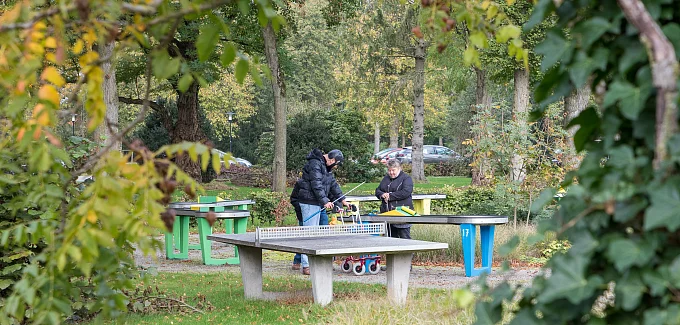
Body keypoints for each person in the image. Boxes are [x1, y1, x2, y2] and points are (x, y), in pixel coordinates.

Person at [294, 148, 350, 275]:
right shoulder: (315, 164)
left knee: (316, 234)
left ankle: (313, 262)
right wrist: (325, 201)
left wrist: (343, 200)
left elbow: (332, 185)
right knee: (308, 234)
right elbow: (316, 184)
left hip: (316, 202)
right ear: (331, 160)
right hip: (309, 202)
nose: (335, 166)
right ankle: (306, 265)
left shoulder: (325, 167)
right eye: (335, 164)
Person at [375, 159, 414, 239]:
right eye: (389, 170)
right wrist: (382, 195)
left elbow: (406, 192)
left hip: (402, 214)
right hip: (387, 215)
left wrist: (390, 196)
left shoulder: (406, 178)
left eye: (393, 170)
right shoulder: (386, 179)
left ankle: (408, 252)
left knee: (405, 239)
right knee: (391, 239)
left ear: (399, 168)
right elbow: (378, 190)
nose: (391, 172)